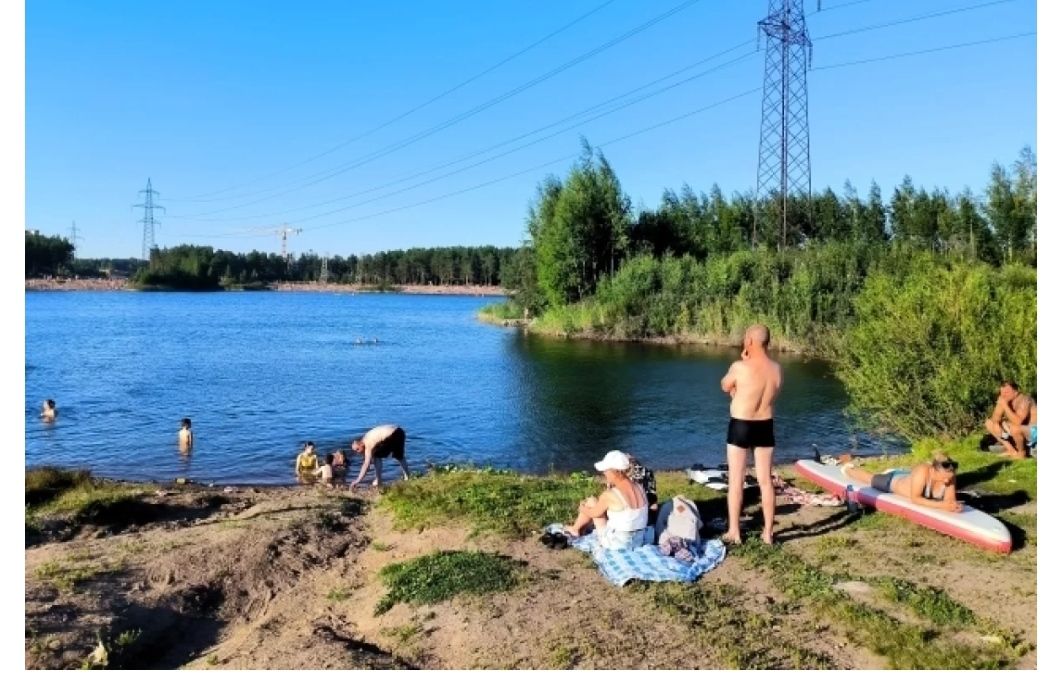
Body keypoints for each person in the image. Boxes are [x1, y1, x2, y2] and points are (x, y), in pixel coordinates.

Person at [720, 323, 783, 546]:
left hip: (741, 425)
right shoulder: (776, 369)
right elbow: (769, 394)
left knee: (736, 480)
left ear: (749, 341)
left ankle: (734, 531)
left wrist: (742, 365)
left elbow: (725, 385)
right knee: (766, 481)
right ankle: (767, 533)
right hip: (765, 424)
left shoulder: (739, 366)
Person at [564, 450, 649, 551]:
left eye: (605, 470)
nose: (603, 473)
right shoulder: (640, 487)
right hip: (639, 540)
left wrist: (582, 508)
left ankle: (575, 530)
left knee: (591, 501)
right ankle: (575, 529)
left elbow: (593, 513)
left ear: (615, 471)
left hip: (618, 543)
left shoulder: (610, 495)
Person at [838, 451, 962, 513]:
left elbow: (949, 500)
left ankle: (898, 471)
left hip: (908, 477)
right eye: (944, 477)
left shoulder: (950, 476)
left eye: (950, 478)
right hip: (892, 482)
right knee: (870, 479)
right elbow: (915, 499)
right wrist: (941, 506)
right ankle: (848, 468)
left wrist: (953, 505)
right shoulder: (923, 471)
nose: (947, 481)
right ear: (933, 471)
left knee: (911, 476)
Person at [984, 381, 1037, 459]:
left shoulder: (1025, 400)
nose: (1003, 395)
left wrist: (1005, 405)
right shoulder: (1005, 400)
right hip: (1020, 429)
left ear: (1016, 391)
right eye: (1002, 392)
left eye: (1007, 392)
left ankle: (1022, 454)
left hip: (1034, 430)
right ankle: (1011, 451)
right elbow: (995, 417)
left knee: (1015, 427)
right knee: (989, 423)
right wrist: (996, 423)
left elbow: (1018, 422)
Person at [349, 425, 410, 490]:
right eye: (355, 451)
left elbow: (366, 465)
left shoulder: (368, 444)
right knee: (399, 456)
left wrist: (357, 480)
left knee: (376, 456)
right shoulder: (366, 439)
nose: (357, 452)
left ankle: (379, 481)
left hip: (392, 435)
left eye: (357, 449)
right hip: (399, 431)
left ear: (361, 444)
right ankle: (407, 477)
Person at [626, 453, 659, 526]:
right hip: (646, 512)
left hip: (629, 516)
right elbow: (653, 501)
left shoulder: (620, 475)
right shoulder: (647, 471)